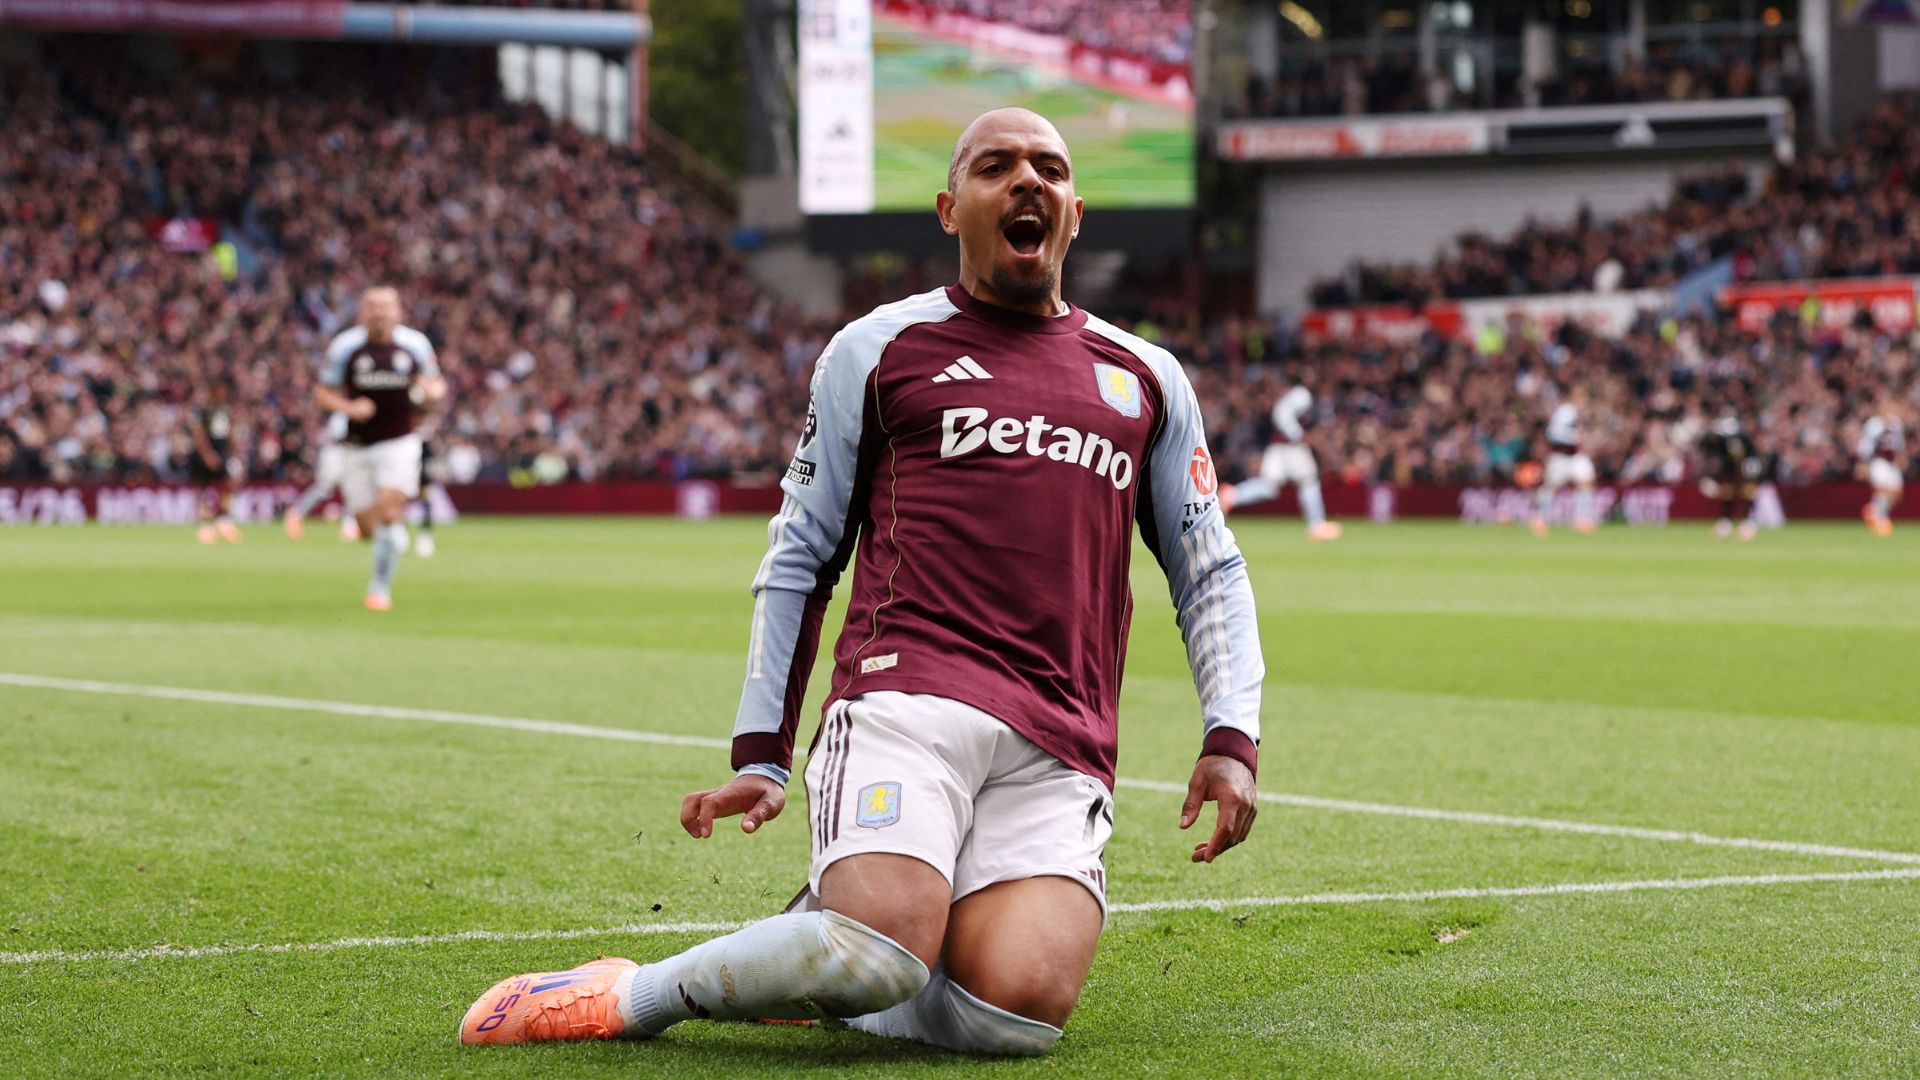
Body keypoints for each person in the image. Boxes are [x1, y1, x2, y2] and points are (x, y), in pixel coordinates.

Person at [459, 108, 1264, 1056]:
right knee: (883, 948)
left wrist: (1231, 736)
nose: (1027, 183)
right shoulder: (876, 349)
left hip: (1062, 737)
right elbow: (802, 552)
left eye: (1049, 168)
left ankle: (817, 960)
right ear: (948, 207)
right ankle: (633, 992)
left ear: (1076, 213)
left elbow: (1209, 568)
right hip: (905, 701)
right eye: (996, 166)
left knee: (1017, 1016)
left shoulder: (1147, 377)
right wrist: (763, 750)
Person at [312, 286, 445, 609]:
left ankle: (380, 588)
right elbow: (323, 392)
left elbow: (436, 383)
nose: (379, 312)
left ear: (398, 312)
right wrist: (349, 407)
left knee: (388, 509)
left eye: (385, 307)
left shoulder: (414, 345)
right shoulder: (346, 347)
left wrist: (432, 393)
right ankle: (388, 534)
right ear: (362, 312)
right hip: (356, 446)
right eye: (372, 306)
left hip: (400, 441)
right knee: (366, 525)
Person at [1220, 383, 1341, 540]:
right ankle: (1317, 525)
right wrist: (1298, 435)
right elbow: (1281, 413)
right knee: (1308, 480)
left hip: (1279, 447)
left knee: (1268, 486)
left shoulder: (1306, 396)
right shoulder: (1302, 394)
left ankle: (1232, 495)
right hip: (1289, 447)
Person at [282, 412, 360, 542]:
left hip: (350, 453)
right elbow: (340, 435)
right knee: (323, 489)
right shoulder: (341, 414)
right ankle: (296, 513)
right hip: (336, 453)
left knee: (353, 490)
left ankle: (350, 526)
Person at [1531, 386, 1598, 536]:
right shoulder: (1564, 412)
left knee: (1587, 481)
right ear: (1574, 397)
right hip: (1560, 456)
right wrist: (1574, 436)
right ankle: (1539, 517)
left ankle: (1581, 518)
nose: (1584, 401)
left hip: (1575, 456)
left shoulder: (1579, 413)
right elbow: (1553, 433)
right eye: (1581, 397)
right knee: (1551, 487)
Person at [1696, 411, 1769, 541]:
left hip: (1746, 472)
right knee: (1728, 495)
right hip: (1732, 473)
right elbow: (1720, 460)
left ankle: (1747, 524)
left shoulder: (1743, 442)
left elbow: (1751, 460)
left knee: (1747, 496)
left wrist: (1751, 474)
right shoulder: (1724, 443)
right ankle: (1726, 524)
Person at [190, 383, 243, 545]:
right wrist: (207, 454)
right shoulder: (202, 412)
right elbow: (199, 435)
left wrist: (236, 452)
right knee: (203, 487)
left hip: (222, 452)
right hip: (207, 453)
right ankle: (203, 523)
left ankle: (223, 518)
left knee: (228, 485)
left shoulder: (224, 411)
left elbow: (229, 433)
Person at [1857, 400, 1907, 537]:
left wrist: (1902, 458)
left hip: (1891, 463)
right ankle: (1880, 518)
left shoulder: (1896, 423)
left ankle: (1873, 510)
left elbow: (1899, 444)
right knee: (1882, 488)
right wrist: (1863, 463)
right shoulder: (1873, 424)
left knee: (1896, 493)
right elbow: (1866, 444)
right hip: (1878, 461)